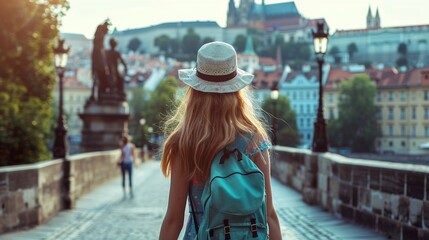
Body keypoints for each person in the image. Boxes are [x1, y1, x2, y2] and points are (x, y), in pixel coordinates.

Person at [159, 42, 282, 239]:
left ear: (195, 91)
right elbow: (270, 215)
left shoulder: (185, 143)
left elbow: (174, 219)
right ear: (237, 92)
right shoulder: (254, 140)